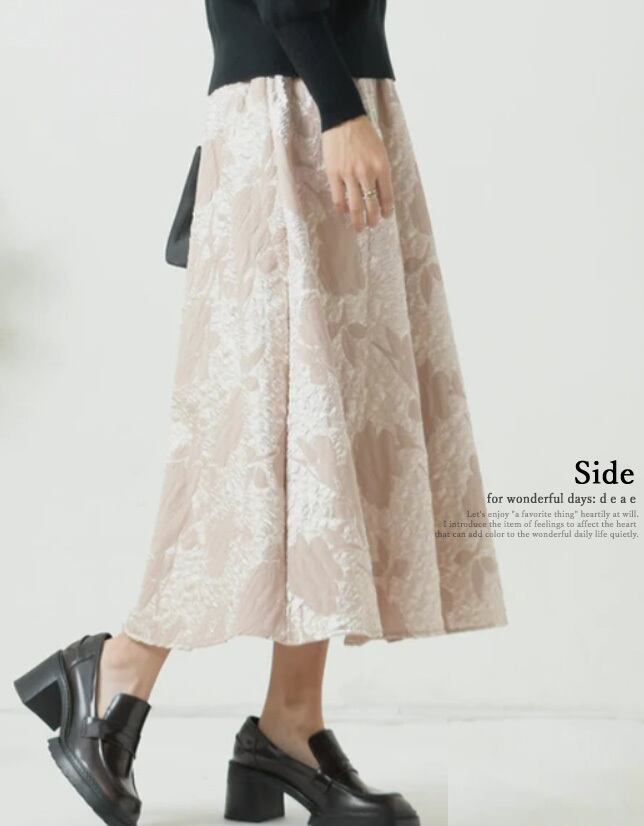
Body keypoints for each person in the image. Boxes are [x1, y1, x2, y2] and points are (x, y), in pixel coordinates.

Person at [13, 2, 507, 825]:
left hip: (331, 100)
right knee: (247, 434)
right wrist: (340, 109)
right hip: (298, 109)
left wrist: (350, 102)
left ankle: (291, 721)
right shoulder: (322, 107)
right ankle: (117, 669)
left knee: (328, 438)